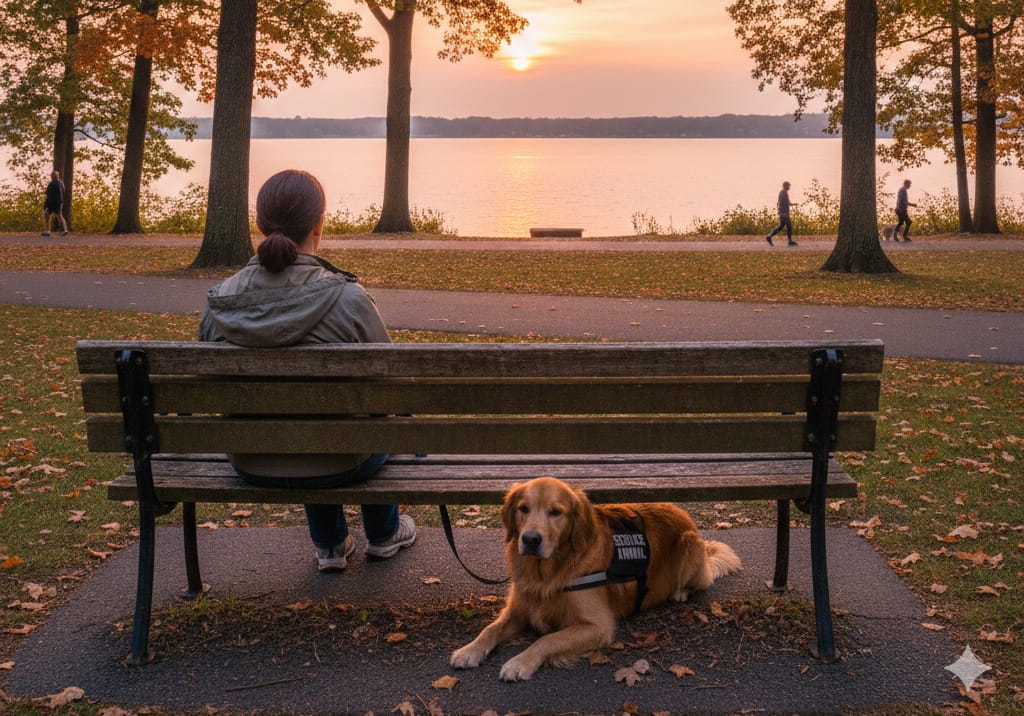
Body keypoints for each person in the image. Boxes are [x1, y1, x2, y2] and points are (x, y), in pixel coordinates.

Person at [198, 169, 416, 573]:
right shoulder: (349, 298)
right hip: (346, 459)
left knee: (303, 422)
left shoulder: (220, 301)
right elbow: (392, 386)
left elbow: (205, 387)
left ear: (259, 225)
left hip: (251, 458)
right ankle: (385, 533)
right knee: (358, 422)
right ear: (319, 224)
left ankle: (330, 545)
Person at [765, 181, 799, 247]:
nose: (789, 188)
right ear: (785, 186)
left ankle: (770, 236)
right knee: (787, 227)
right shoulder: (783, 193)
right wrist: (793, 205)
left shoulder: (783, 192)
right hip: (784, 213)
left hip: (783, 212)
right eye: (788, 186)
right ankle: (789, 241)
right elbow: (785, 203)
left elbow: (780, 203)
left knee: (782, 226)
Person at [42, 170, 69, 237]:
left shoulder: (55, 184)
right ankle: (64, 230)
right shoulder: (59, 183)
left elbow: (50, 194)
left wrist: (47, 204)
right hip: (56, 202)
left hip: (54, 202)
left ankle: (49, 231)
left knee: (52, 215)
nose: (52, 177)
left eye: (53, 175)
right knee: (57, 215)